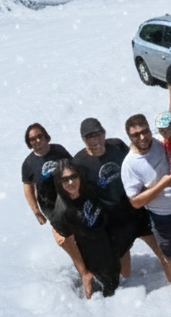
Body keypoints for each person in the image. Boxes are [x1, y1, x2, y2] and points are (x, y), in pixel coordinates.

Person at [74, 117, 160, 278]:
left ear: (104, 133)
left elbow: (135, 163)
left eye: (98, 134)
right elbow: (75, 192)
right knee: (125, 274)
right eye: (90, 137)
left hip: (134, 208)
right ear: (83, 140)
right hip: (112, 219)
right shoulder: (79, 162)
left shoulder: (117, 145)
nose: (95, 140)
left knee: (162, 249)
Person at [120, 113, 171, 287]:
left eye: (145, 132)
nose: (142, 137)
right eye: (136, 135)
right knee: (170, 255)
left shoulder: (160, 141)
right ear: (129, 137)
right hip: (162, 215)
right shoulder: (130, 164)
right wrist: (163, 184)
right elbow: (135, 202)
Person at [50, 162, 123, 298]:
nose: (71, 182)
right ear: (59, 183)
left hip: (106, 238)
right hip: (89, 250)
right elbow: (69, 244)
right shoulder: (62, 212)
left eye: (74, 177)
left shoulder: (90, 189)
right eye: (65, 179)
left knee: (120, 276)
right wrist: (84, 272)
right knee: (107, 289)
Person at [21, 123, 71, 230]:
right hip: (50, 205)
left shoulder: (59, 150)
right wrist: (36, 211)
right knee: (64, 233)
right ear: (29, 142)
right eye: (33, 139)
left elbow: (74, 169)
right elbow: (28, 189)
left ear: (45, 136)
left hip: (69, 197)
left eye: (40, 136)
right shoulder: (28, 164)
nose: (37, 140)